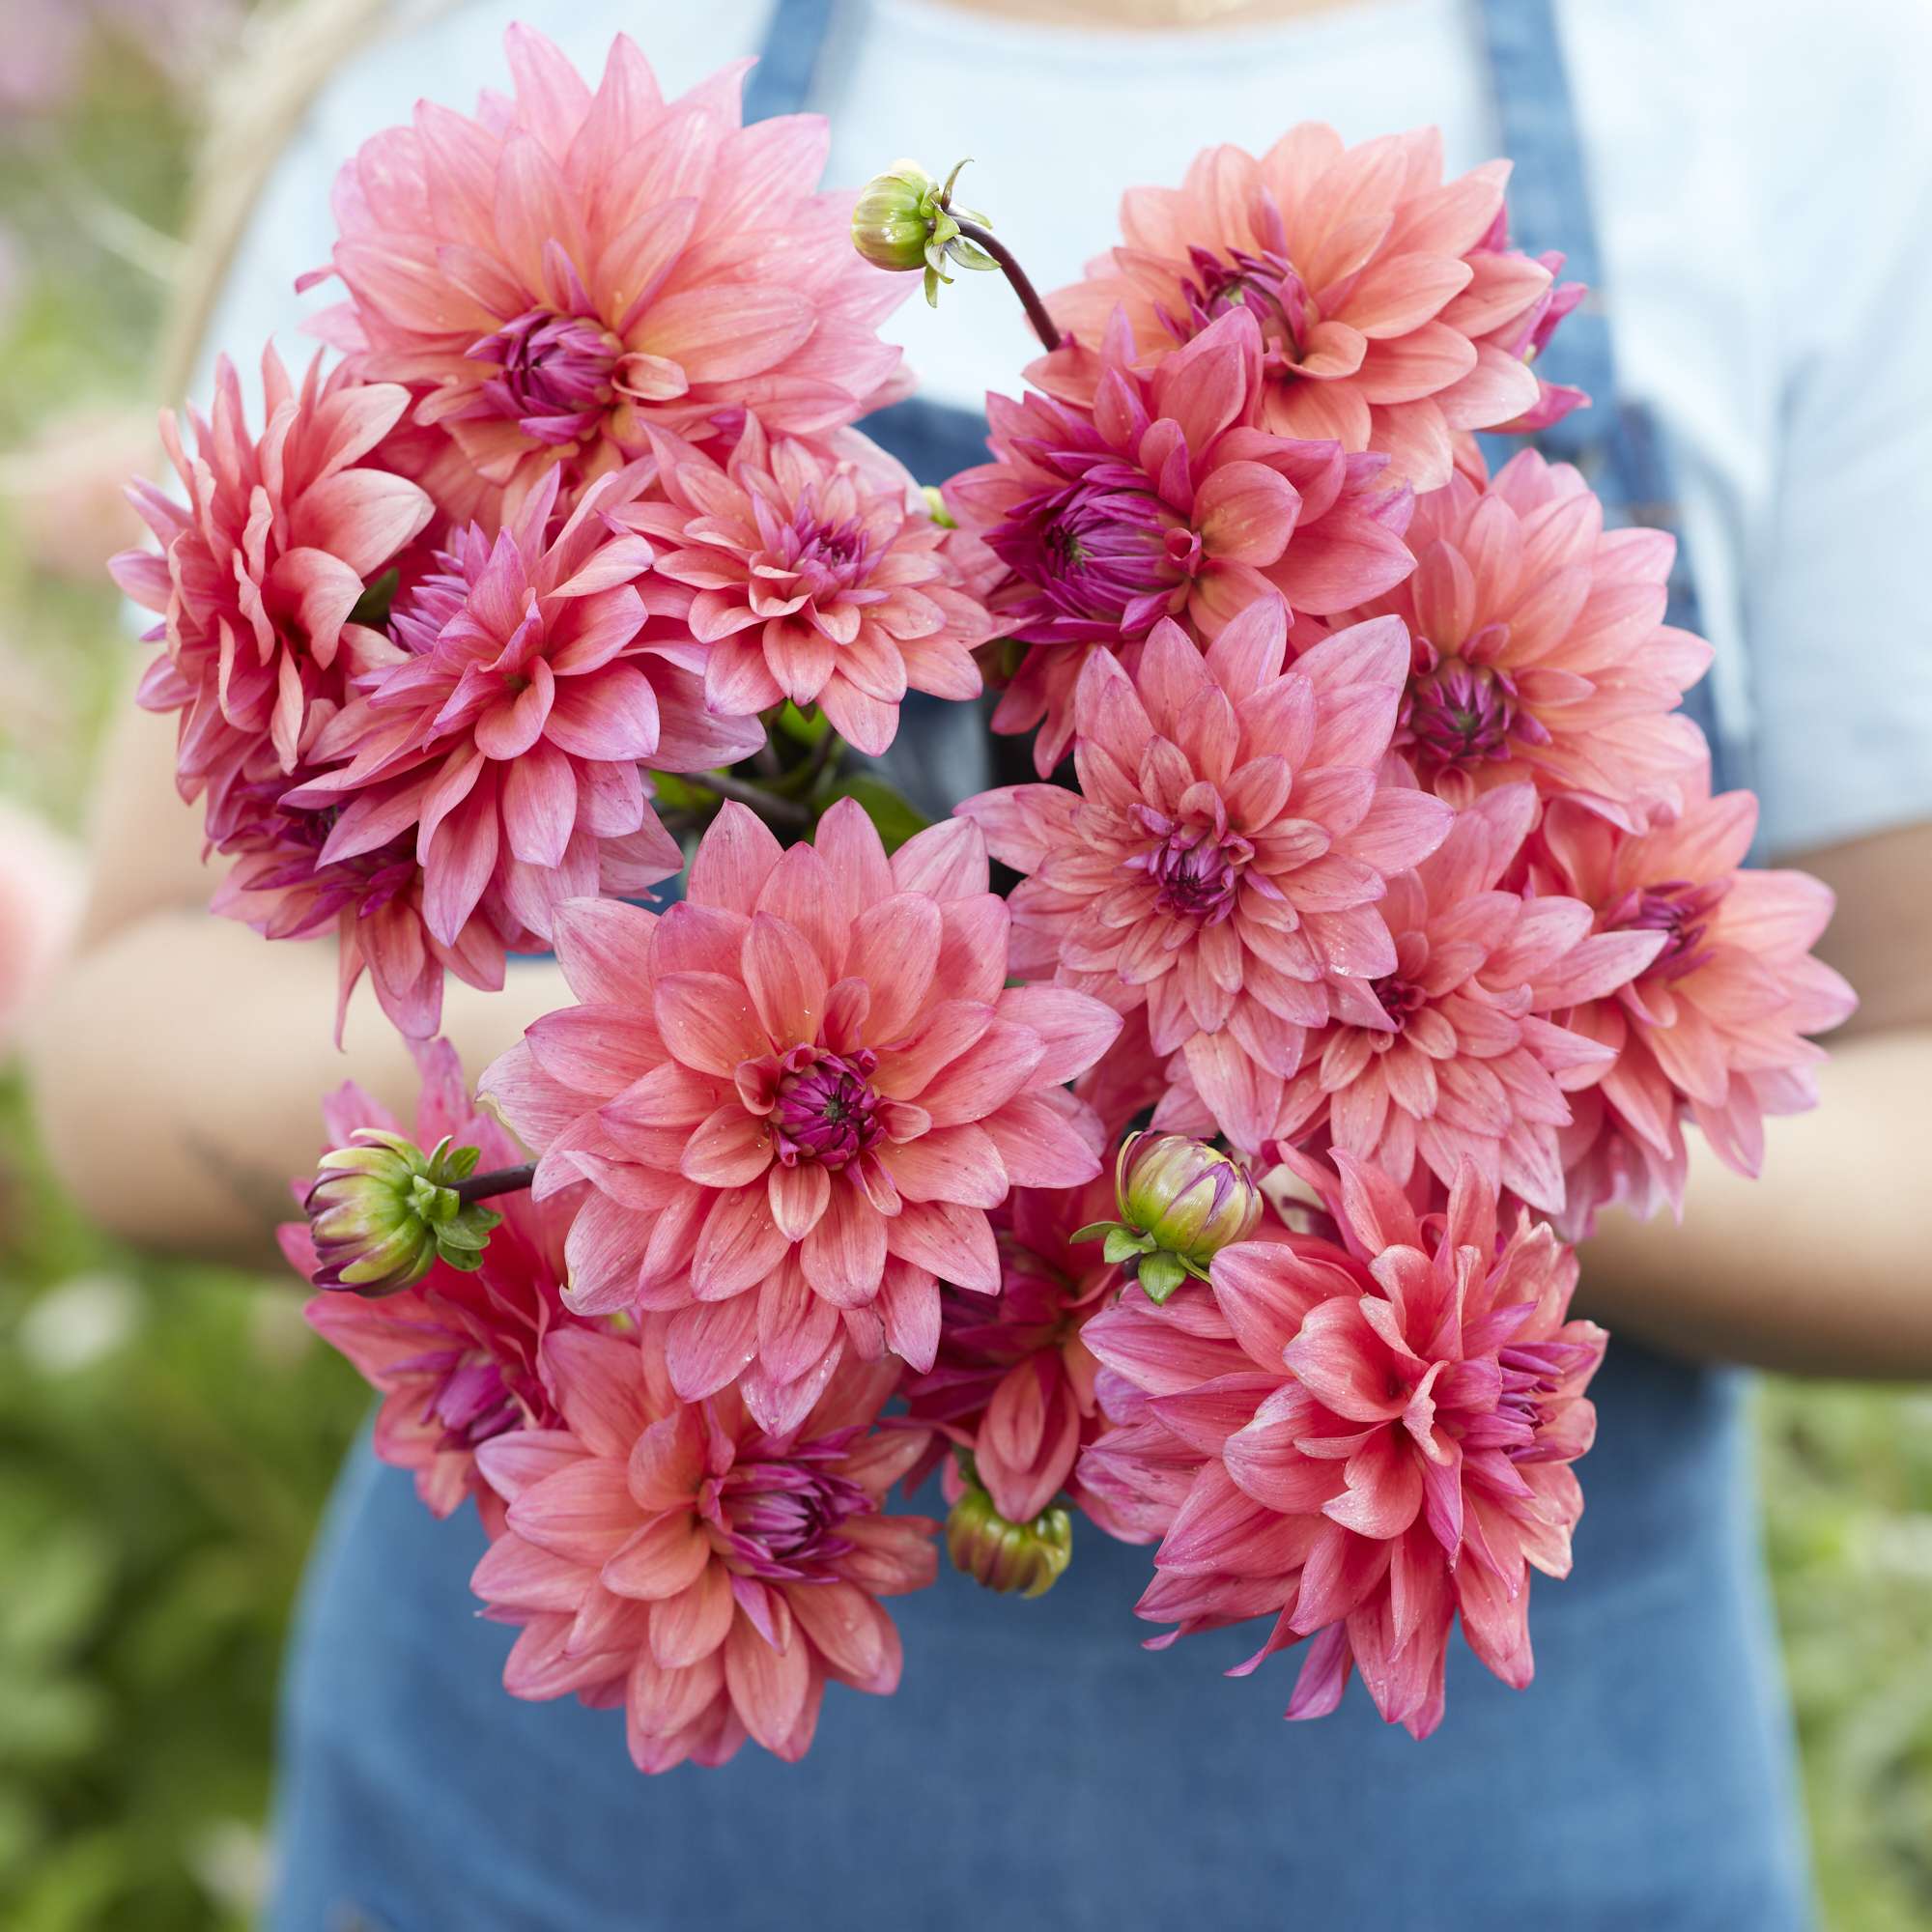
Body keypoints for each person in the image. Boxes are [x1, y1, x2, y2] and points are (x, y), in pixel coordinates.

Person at [26, 0, 1932, 1924]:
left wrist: (1340, 1149)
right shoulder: (501, 59)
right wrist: (635, 1088)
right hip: (558, 1843)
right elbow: (127, 1044)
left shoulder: (1790, 83)